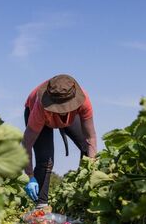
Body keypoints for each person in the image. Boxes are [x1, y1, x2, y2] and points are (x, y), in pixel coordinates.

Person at [22, 74, 97, 209]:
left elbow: (90, 137)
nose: (62, 112)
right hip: (41, 113)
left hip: (71, 112)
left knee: (87, 148)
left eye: (66, 108)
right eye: (59, 108)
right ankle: (41, 206)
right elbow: (27, 143)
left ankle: (82, 196)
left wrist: (91, 169)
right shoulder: (40, 106)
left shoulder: (83, 100)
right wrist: (30, 176)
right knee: (46, 160)